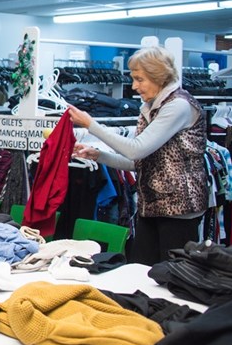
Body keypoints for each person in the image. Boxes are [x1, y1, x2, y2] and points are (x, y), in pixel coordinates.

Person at [67, 46, 207, 265]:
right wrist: (98, 156)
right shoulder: (151, 107)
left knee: (173, 278)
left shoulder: (178, 106)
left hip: (178, 210)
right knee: (142, 273)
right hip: (151, 207)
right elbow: (140, 163)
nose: (134, 86)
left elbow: (136, 149)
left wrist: (91, 125)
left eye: (140, 79)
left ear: (158, 75)